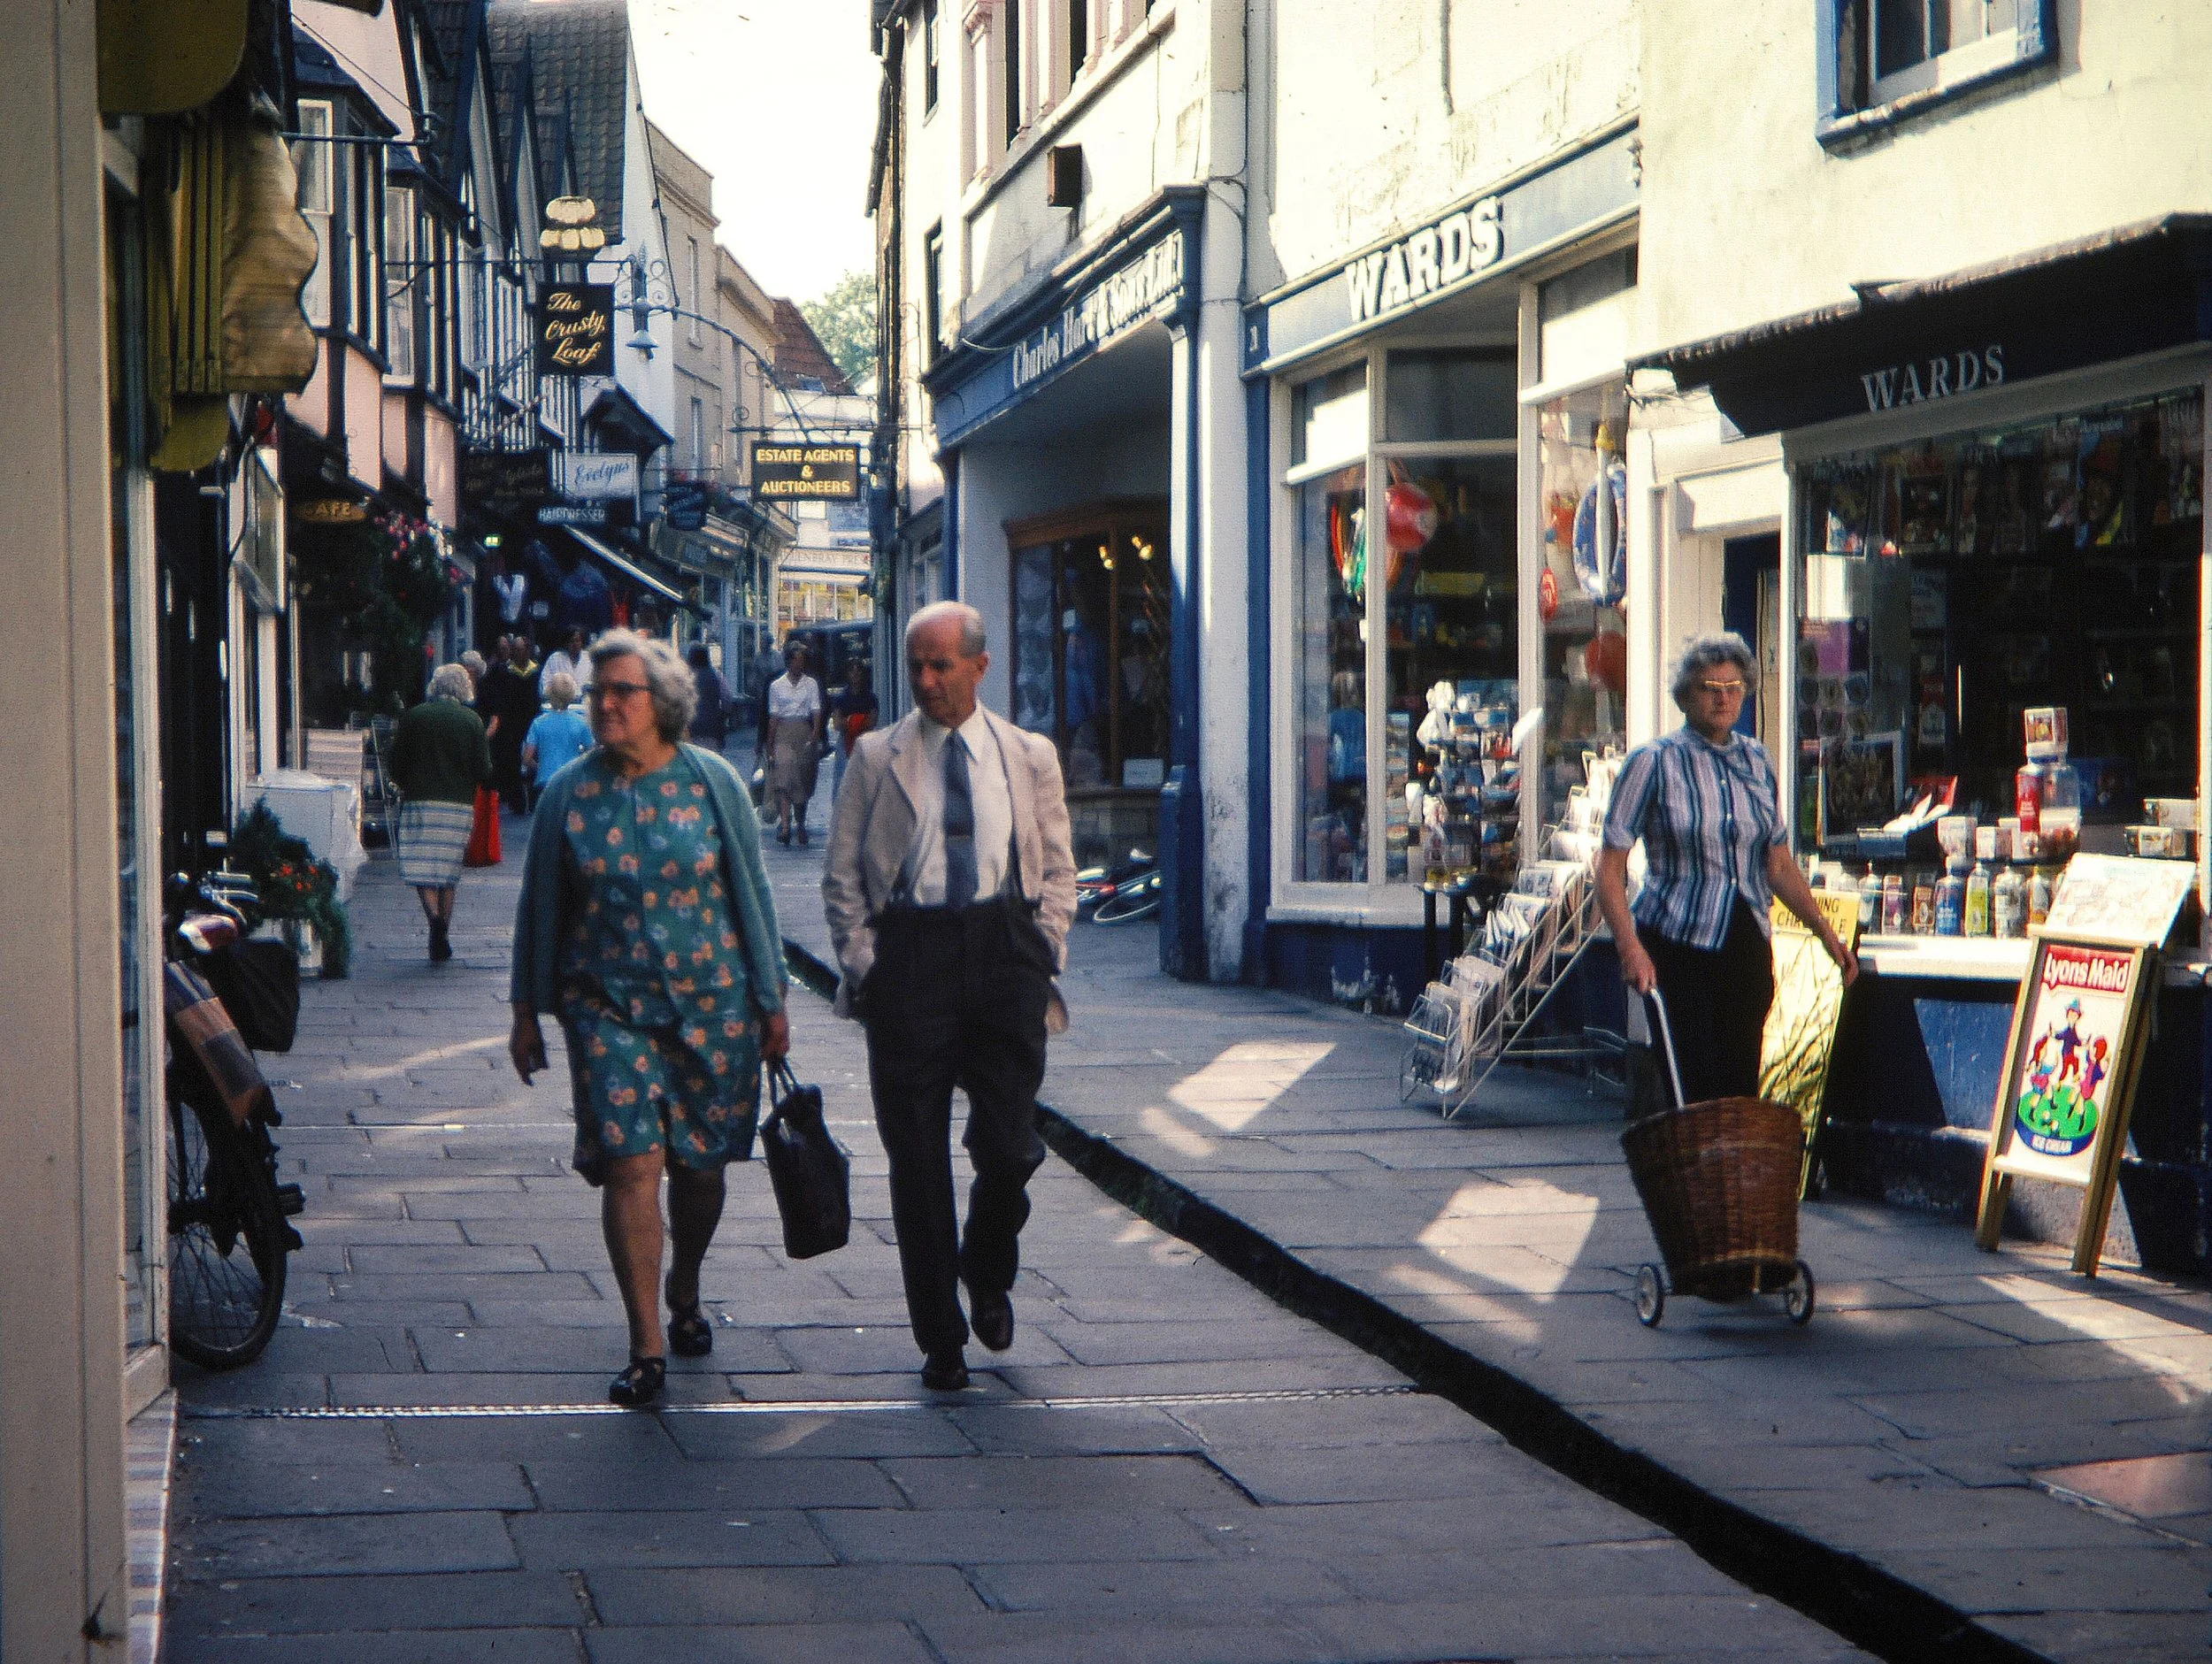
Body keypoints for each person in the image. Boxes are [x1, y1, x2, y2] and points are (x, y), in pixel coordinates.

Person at [507, 628, 791, 1408]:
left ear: (660, 703)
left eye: (621, 691)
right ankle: (647, 1344)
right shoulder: (568, 790)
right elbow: (540, 908)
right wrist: (526, 1009)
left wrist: (772, 997)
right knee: (633, 1163)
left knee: (699, 1169)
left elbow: (752, 891)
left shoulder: (713, 781)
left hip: (714, 1006)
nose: (604, 704)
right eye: (598, 690)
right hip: (606, 1007)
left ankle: (685, 1282)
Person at [821, 601, 1077, 1392]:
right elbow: (841, 877)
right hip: (912, 956)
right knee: (917, 1158)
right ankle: (941, 1337)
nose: (927, 682)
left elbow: (1059, 864)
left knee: (1009, 1146)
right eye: (917, 667)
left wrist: (1046, 945)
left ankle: (988, 1264)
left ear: (980, 667)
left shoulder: (1028, 754)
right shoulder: (874, 756)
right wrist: (868, 964)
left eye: (941, 666)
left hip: (1004, 951)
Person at [1594, 633, 1857, 1106]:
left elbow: (1777, 862)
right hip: (1677, 944)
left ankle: (1729, 1179)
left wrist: (1825, 934)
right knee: (1692, 1087)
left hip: (1745, 943)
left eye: (1734, 687)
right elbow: (1610, 868)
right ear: (1686, 695)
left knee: (1739, 1087)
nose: (1723, 698)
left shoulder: (1757, 760)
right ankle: (1695, 1178)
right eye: (1709, 687)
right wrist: (1630, 949)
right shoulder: (1654, 762)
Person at [388, 663, 494, 963]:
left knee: (420, 865)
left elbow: (397, 762)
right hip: (458, 805)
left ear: (435, 685)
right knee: (449, 873)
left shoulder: (414, 717)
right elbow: (483, 769)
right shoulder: (472, 721)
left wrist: (406, 780)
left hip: (421, 801)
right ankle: (443, 930)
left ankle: (433, 918)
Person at [761, 640, 826, 846]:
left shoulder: (811, 684)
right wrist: (769, 744)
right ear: (788, 662)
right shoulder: (777, 686)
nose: (799, 665)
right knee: (784, 778)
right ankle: (786, 825)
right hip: (783, 733)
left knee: (803, 781)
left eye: (802, 661)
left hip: (804, 731)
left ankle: (801, 822)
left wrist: (815, 733)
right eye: (796, 660)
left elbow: (816, 710)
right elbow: (773, 716)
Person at [480, 636, 540, 813]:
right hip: (510, 724)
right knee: (511, 762)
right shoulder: (503, 672)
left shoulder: (536, 671)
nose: (516, 653)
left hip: (531, 721)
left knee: (533, 760)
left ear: (528, 651)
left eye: (520, 649)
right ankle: (517, 800)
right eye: (514, 649)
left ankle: (534, 798)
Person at [521, 671, 594, 802]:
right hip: (572, 781)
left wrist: (540, 767)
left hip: (545, 782)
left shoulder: (538, 723)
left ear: (549, 693)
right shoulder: (581, 722)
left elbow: (526, 759)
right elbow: (592, 752)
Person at [832, 661, 879, 800]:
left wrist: (850, 720)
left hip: (867, 741)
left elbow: (872, 722)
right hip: (845, 743)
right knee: (842, 777)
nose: (855, 674)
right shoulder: (841, 698)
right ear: (847, 674)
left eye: (859, 670)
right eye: (852, 670)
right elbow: (837, 724)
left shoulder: (871, 698)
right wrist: (859, 720)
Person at [686, 643, 731, 752]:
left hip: (689, 728)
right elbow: (727, 699)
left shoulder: (684, 676)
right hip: (712, 728)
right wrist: (723, 716)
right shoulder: (716, 675)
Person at [541, 626, 592, 703]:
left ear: (582, 642)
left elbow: (594, 682)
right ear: (566, 642)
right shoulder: (555, 658)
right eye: (571, 641)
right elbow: (545, 683)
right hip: (559, 705)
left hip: (584, 705)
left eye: (577, 640)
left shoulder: (589, 658)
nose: (575, 644)